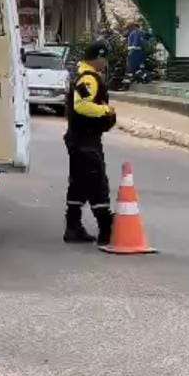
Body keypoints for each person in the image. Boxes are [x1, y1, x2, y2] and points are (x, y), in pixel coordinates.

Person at [64, 40, 117, 245]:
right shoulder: (89, 79)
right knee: (97, 184)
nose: (105, 63)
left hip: (79, 140)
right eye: (104, 59)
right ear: (97, 58)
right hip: (86, 142)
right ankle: (106, 229)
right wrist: (106, 111)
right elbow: (81, 105)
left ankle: (73, 227)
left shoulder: (84, 75)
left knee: (78, 184)